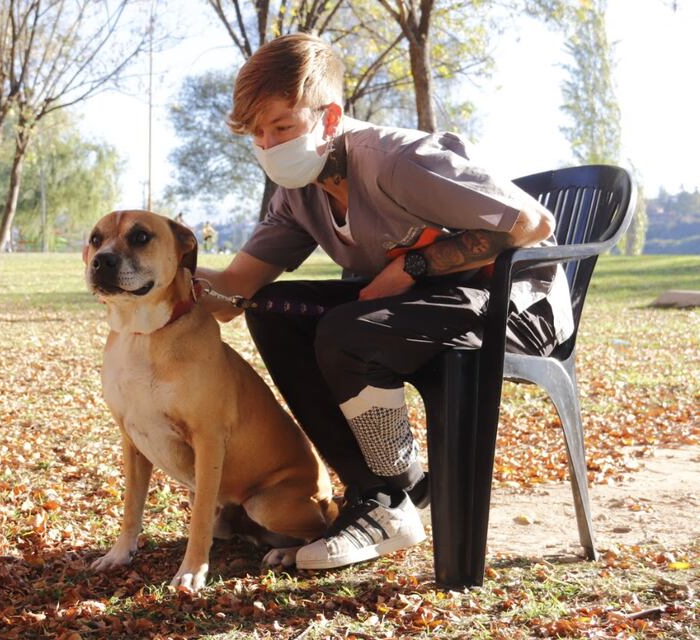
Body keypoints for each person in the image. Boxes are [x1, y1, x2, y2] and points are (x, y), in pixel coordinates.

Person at [195, 33, 574, 571]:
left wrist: (412, 266)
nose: (269, 144)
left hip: (515, 306)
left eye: (282, 126)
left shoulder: (397, 160)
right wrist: (155, 275)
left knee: (348, 332)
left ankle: (392, 498)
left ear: (328, 118)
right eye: (257, 133)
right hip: (428, 307)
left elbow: (534, 224)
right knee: (274, 310)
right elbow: (235, 293)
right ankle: (382, 495)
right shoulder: (298, 193)